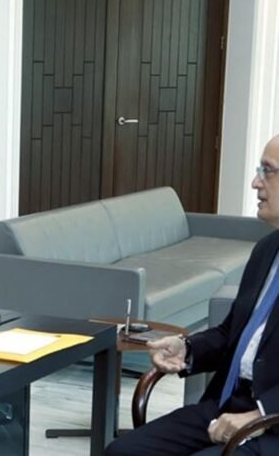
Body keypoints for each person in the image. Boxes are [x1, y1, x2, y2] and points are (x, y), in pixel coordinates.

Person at [106, 135, 279, 455]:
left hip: (271, 425)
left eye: (267, 170)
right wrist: (187, 349)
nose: (256, 182)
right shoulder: (266, 249)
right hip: (227, 405)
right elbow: (231, 333)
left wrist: (259, 414)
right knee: (122, 451)